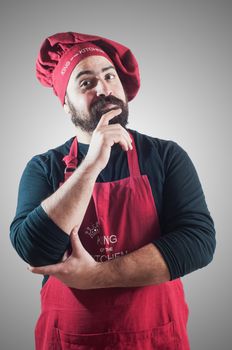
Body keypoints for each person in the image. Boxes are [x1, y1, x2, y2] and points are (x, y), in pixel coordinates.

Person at [10, 31, 216, 350]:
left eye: (109, 76)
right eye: (86, 82)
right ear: (66, 104)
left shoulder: (165, 156)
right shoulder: (43, 168)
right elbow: (34, 250)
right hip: (69, 341)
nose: (104, 88)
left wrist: (96, 276)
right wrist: (91, 164)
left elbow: (199, 242)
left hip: (156, 338)